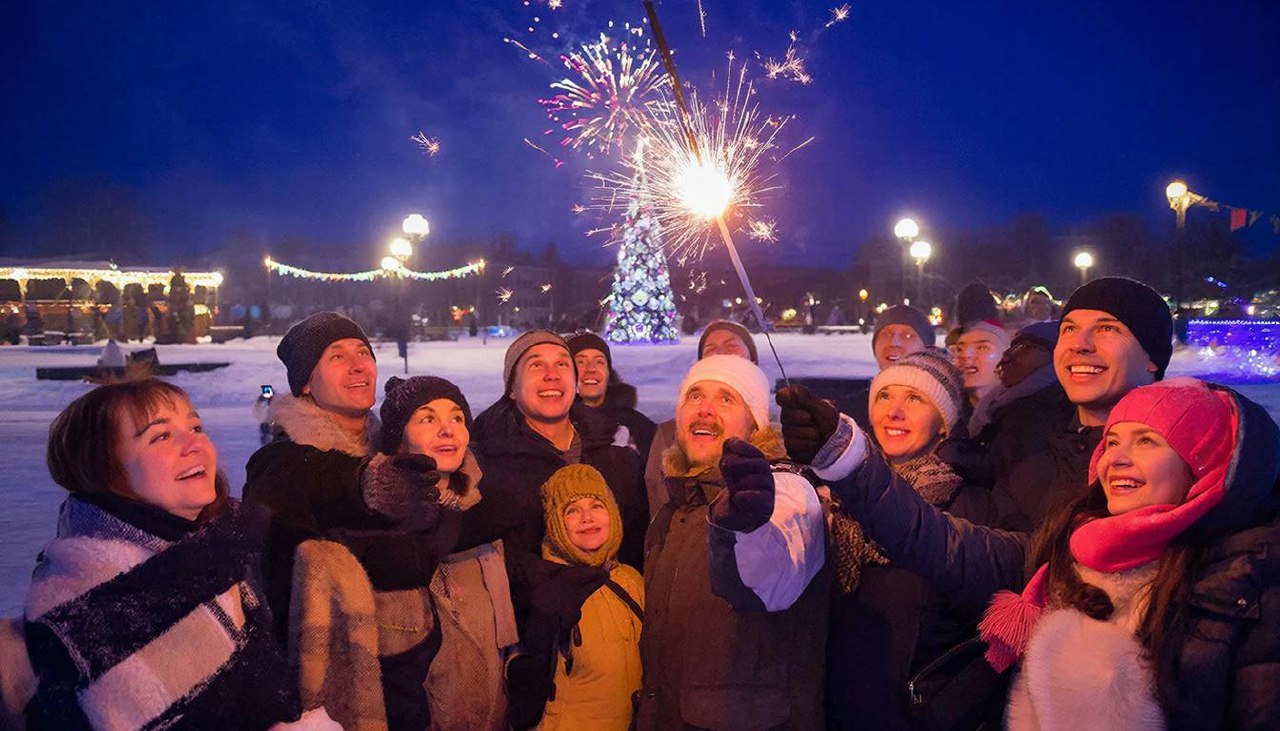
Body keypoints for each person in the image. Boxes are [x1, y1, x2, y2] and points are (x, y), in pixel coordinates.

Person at [25, 377, 336, 729]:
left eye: (195, 427)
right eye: (161, 436)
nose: (195, 444)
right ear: (103, 470)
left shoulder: (213, 552)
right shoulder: (95, 607)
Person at [983, 379, 1280, 728]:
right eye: (1111, 442)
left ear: (1203, 464)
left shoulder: (1249, 569)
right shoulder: (1070, 549)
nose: (1116, 459)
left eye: (1146, 441)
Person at [243, 313, 453, 729]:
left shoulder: (394, 451)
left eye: (363, 353)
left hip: (412, 675)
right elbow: (307, 482)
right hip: (328, 688)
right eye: (337, 357)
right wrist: (367, 485)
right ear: (306, 382)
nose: (358, 366)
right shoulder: (279, 462)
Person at [637, 355, 828, 730]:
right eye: (695, 396)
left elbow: (771, 580)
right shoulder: (673, 510)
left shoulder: (786, 491)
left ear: (755, 424)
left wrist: (747, 527)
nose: (705, 410)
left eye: (727, 399)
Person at [826, 349, 993, 729]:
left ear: (944, 424)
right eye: (885, 396)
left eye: (915, 398)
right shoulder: (841, 495)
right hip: (839, 706)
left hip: (915, 714)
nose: (894, 412)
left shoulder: (968, 506)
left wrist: (942, 706)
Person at [462, 330, 647, 622]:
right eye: (536, 365)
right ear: (512, 389)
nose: (552, 375)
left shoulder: (616, 458)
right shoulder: (487, 468)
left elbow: (637, 548)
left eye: (562, 364)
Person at [384, 376, 518, 731]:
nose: (448, 430)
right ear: (399, 438)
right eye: (427, 418)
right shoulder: (385, 527)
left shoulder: (488, 511)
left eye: (457, 418)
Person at [517, 464, 644, 731]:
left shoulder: (632, 580)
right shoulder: (543, 586)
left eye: (597, 505)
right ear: (555, 523)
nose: (587, 518)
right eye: (572, 510)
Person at [643, 319, 758, 517]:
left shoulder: (776, 436)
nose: (719, 354)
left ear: (753, 362)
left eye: (731, 347)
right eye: (710, 349)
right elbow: (659, 503)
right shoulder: (669, 435)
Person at [567, 331, 657, 459]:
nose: (591, 368)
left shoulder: (637, 426)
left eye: (599, 362)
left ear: (608, 373)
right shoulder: (555, 424)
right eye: (580, 362)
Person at [949, 320, 1010, 410]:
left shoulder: (1023, 410)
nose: (965, 355)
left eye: (982, 348)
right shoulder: (948, 411)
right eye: (959, 349)